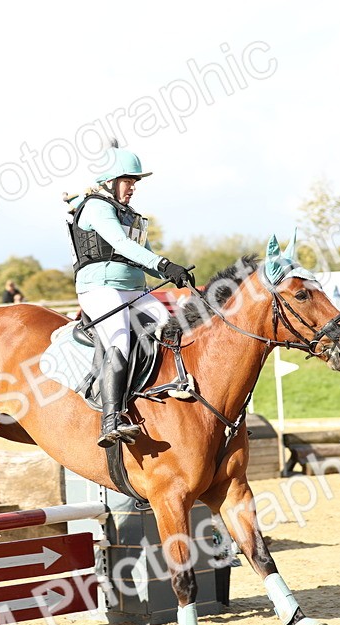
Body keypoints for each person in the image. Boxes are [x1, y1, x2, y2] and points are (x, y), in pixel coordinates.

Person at [66, 143, 193, 447]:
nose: (133, 187)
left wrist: (170, 271)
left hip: (133, 289)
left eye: (135, 182)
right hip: (101, 288)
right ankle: (110, 420)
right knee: (120, 339)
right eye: (128, 181)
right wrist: (162, 264)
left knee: (172, 325)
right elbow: (122, 246)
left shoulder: (129, 214)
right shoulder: (96, 207)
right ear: (109, 181)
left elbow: (143, 254)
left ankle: (171, 385)